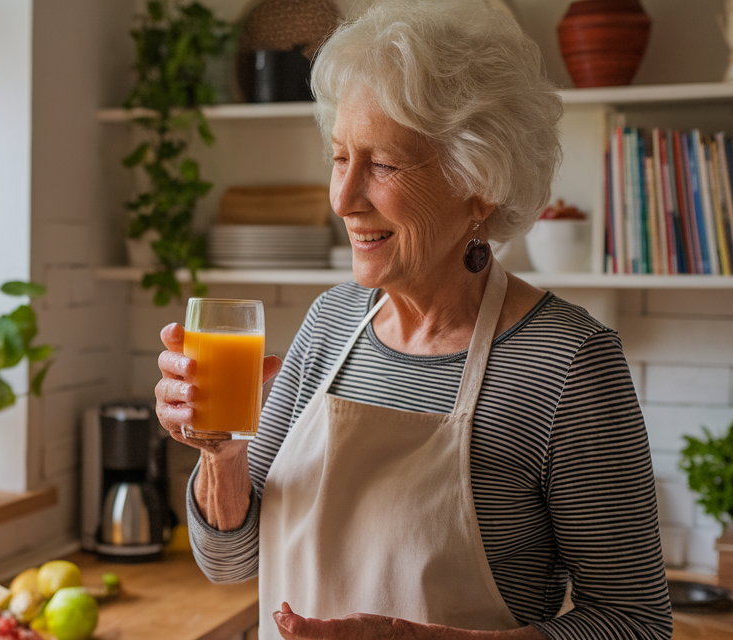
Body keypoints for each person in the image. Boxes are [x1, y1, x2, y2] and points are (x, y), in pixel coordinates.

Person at [153, 1, 673, 638]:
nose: (343, 200)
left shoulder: (569, 362)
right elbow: (231, 561)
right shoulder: (330, 324)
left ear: (479, 183)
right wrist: (223, 456)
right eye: (341, 158)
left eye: (384, 164)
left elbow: (636, 622)